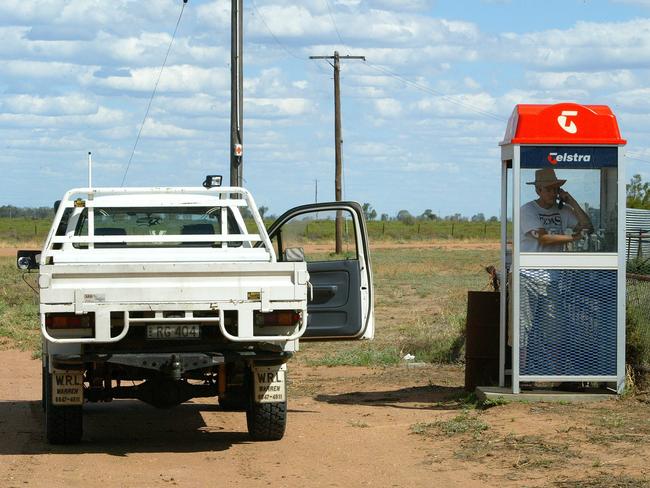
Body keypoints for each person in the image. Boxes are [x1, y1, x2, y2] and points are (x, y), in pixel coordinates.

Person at [520, 168, 593, 252]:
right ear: (538, 190)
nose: (553, 193)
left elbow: (588, 228)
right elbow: (543, 238)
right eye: (548, 189)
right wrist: (575, 237)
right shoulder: (527, 210)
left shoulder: (563, 210)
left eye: (556, 189)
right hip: (532, 263)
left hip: (555, 262)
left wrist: (573, 203)